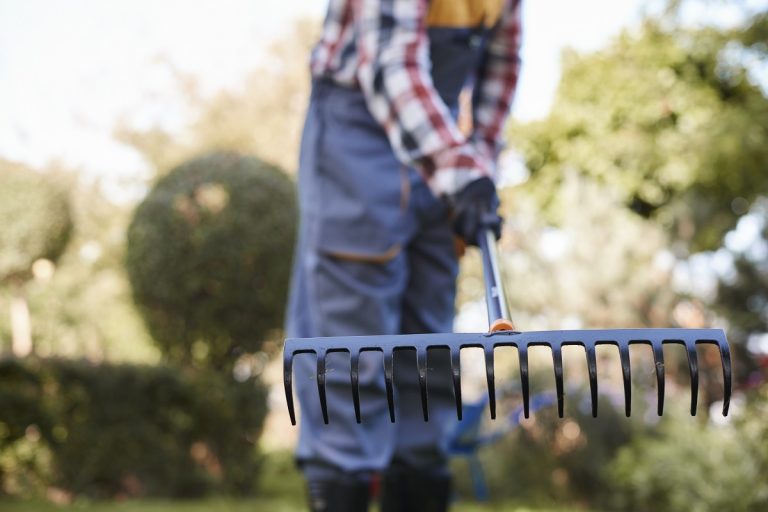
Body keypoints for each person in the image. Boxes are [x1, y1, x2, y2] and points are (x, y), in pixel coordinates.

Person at [285, 0, 522, 510]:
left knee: (429, 350)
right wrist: (458, 171)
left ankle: (418, 474)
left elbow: (501, 65)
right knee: (353, 354)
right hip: (358, 128)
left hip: (436, 132)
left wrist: (479, 167)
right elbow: (389, 62)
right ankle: (342, 478)